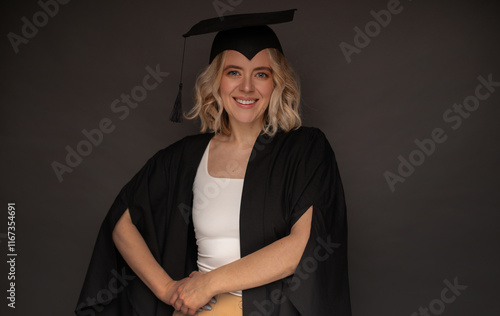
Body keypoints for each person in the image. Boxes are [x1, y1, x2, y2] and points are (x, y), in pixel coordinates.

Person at [76, 9, 351, 316]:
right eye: (233, 72)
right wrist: (168, 290)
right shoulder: (186, 157)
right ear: (216, 81)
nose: (246, 87)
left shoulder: (305, 150)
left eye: (261, 73)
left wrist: (207, 284)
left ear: (277, 82)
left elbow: (300, 248)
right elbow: (121, 221)